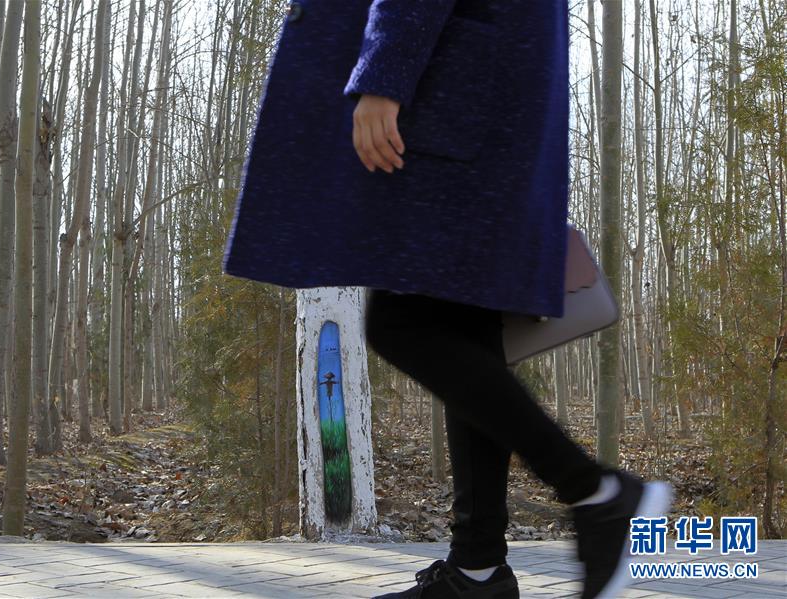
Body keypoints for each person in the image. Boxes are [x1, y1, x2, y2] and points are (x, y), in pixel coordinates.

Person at [221, 1, 671, 597]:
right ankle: (478, 570)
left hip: (444, 80)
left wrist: (384, 74)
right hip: (477, 78)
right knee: (460, 322)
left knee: (405, 325)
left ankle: (594, 491)